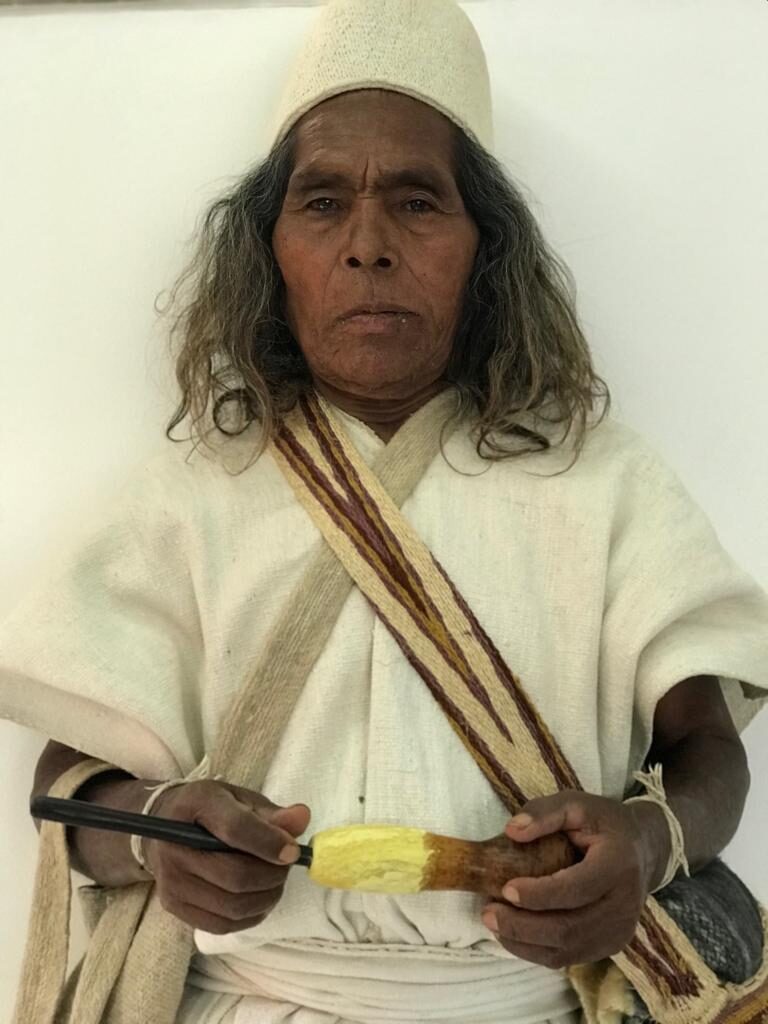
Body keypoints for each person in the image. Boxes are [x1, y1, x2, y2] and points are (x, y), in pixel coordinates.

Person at [2, 1, 767, 1022]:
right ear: (269, 249)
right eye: (322, 203)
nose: (368, 245)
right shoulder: (191, 494)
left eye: (417, 201)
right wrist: (157, 835)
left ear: (484, 247)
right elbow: (67, 787)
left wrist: (646, 843)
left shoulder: (605, 486)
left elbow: (707, 746)